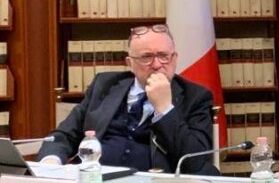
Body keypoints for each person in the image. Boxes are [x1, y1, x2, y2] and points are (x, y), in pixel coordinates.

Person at [38, 24, 218, 175]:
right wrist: (51, 161)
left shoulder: (196, 97)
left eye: (164, 56)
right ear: (129, 63)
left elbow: (194, 162)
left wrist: (165, 110)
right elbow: (64, 135)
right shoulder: (104, 85)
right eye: (146, 57)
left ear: (175, 58)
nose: (157, 65)